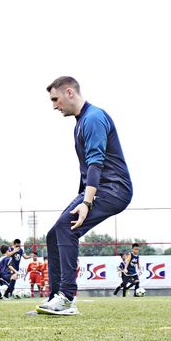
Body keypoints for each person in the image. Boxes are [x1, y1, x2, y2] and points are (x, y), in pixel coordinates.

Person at [38, 77, 133, 316]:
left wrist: (86, 203)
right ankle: (55, 300)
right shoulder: (80, 122)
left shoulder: (93, 118)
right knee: (54, 234)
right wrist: (83, 196)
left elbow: (95, 163)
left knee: (67, 228)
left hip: (113, 190)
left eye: (55, 99)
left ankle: (67, 299)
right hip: (97, 189)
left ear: (69, 92)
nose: (54, 106)